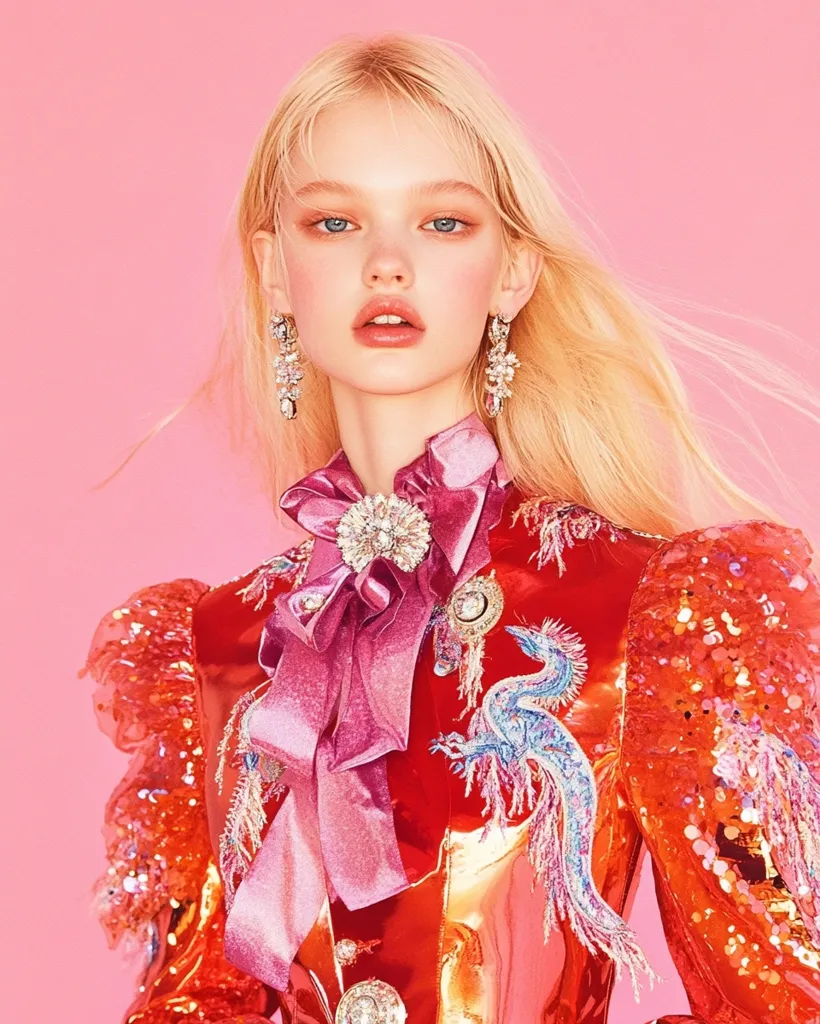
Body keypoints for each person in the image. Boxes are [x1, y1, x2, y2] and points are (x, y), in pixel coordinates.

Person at [80, 31, 820, 1024]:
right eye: (335, 222)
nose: (387, 263)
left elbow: (781, 999)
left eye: (441, 222)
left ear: (511, 271)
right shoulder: (216, 649)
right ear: (272, 270)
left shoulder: (653, 617)